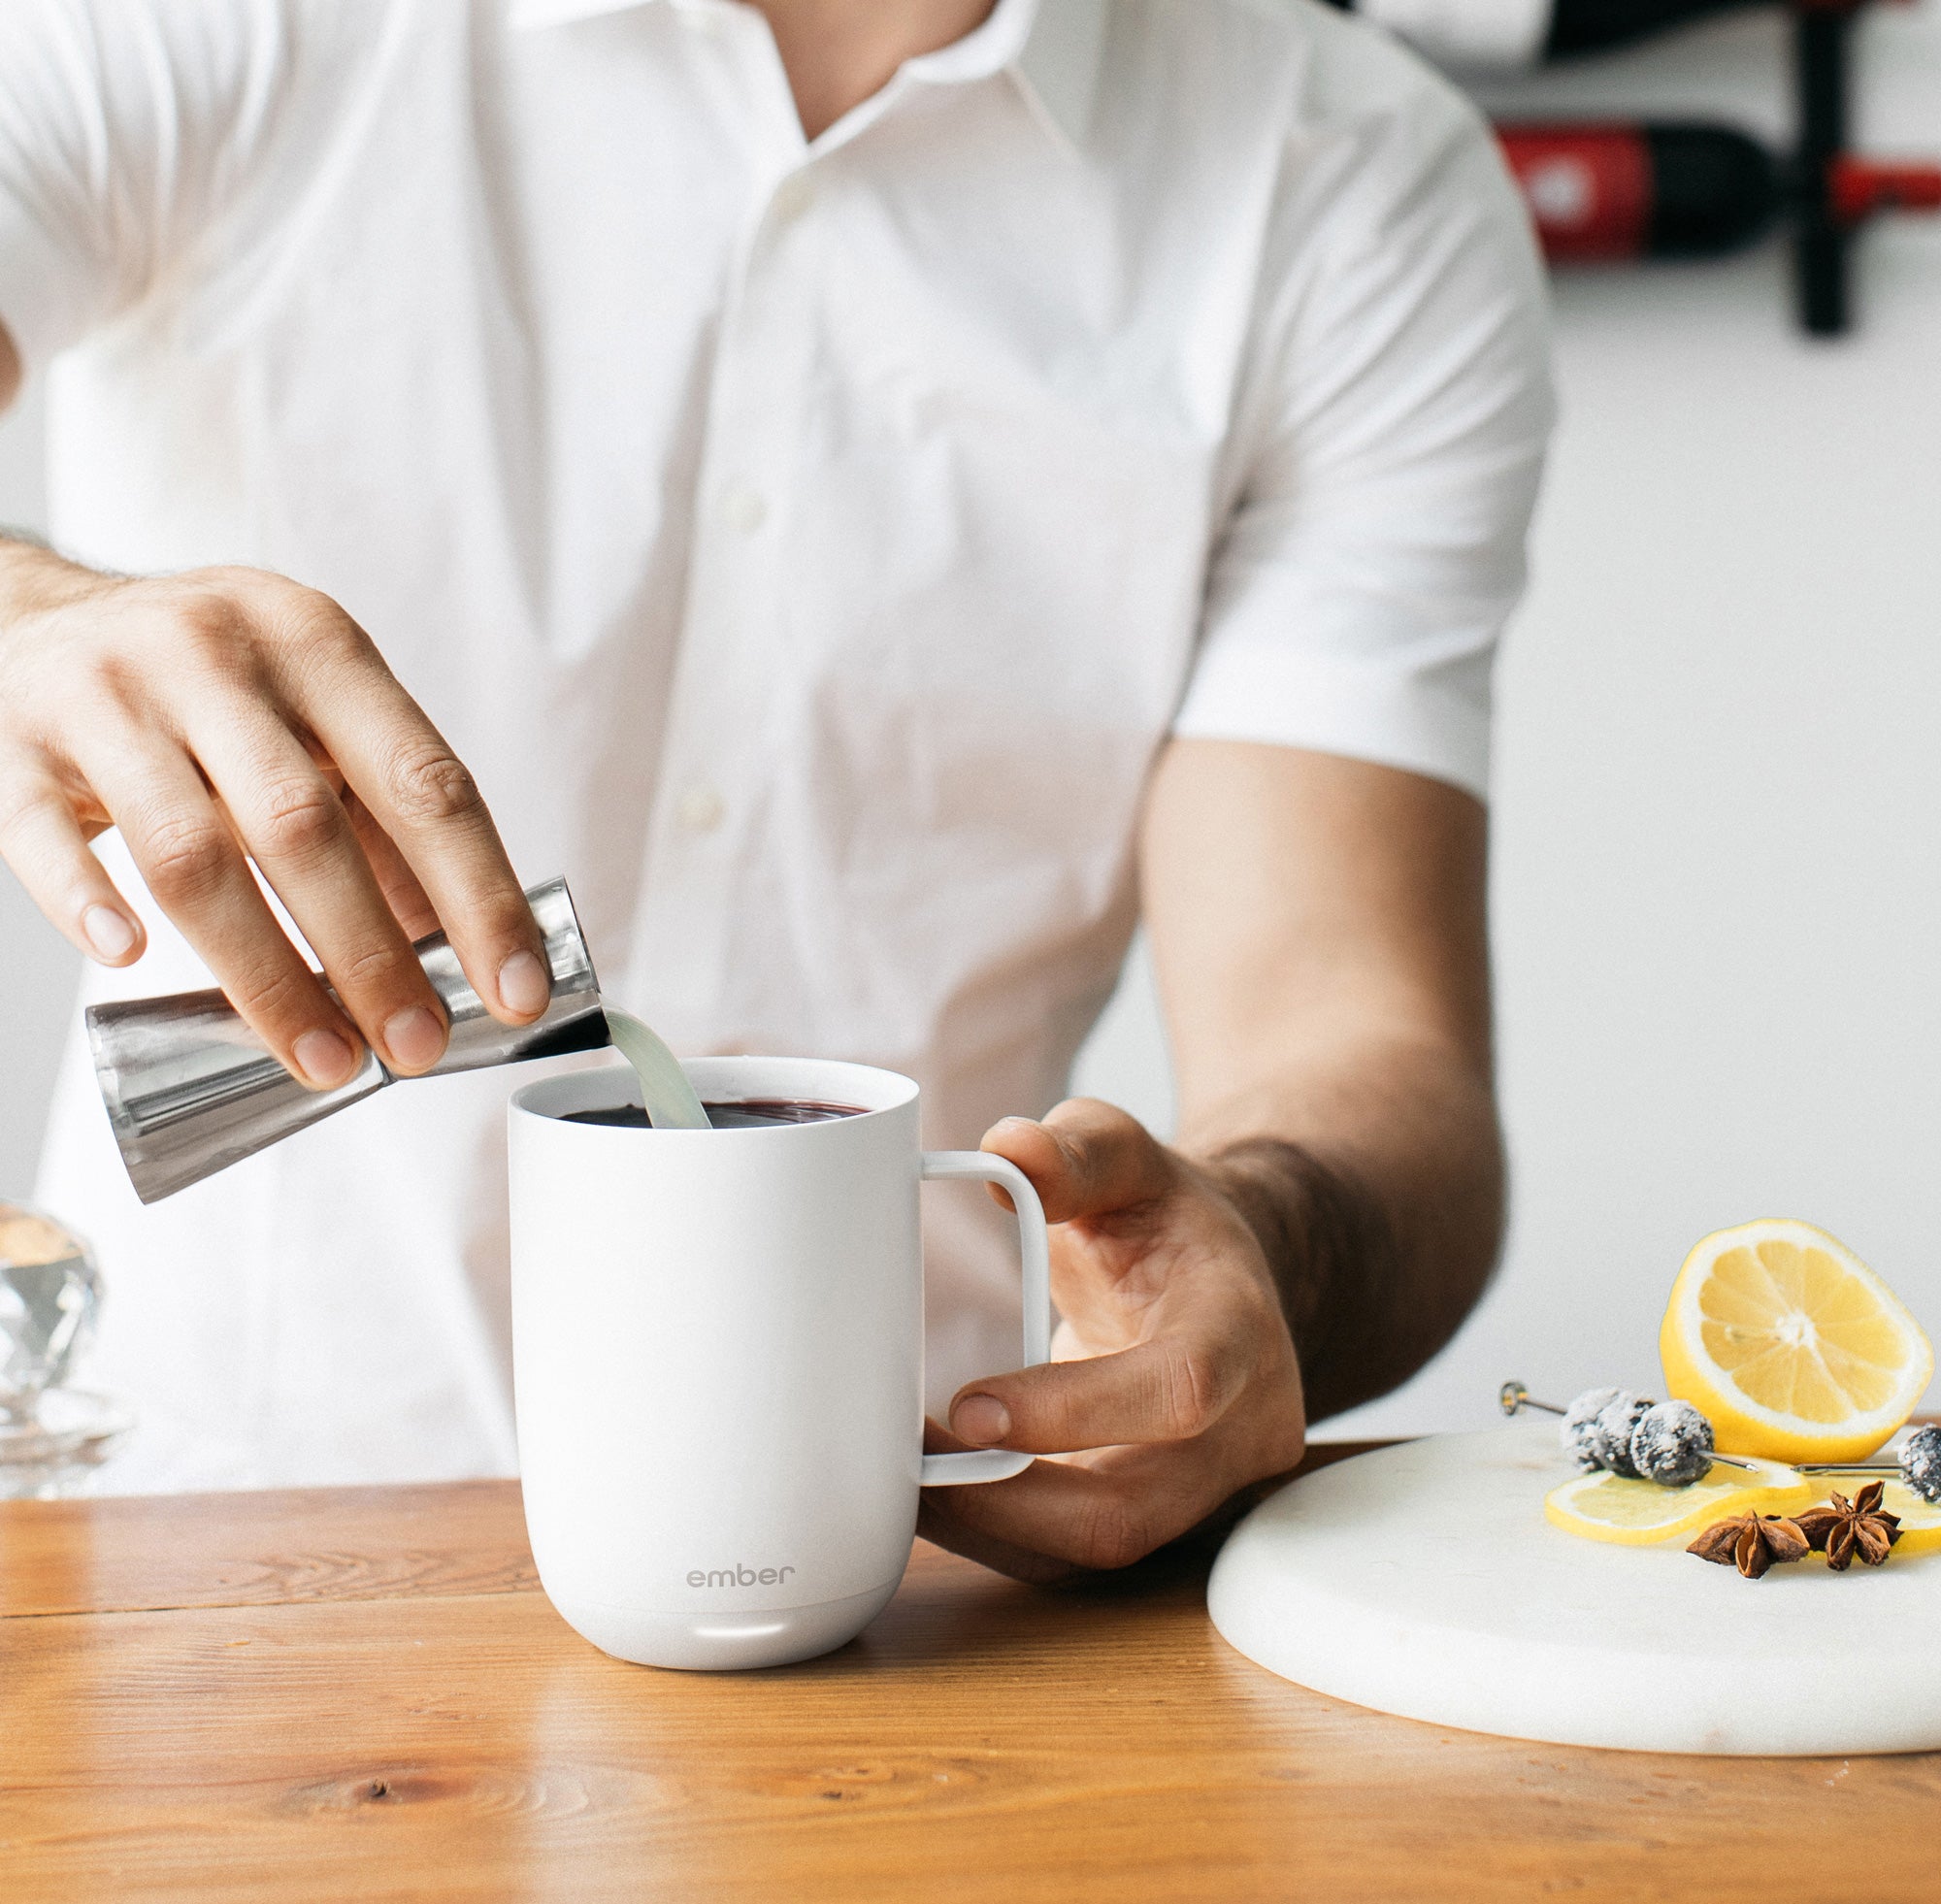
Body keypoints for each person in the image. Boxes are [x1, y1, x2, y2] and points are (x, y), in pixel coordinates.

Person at [0, 0, 1550, 1581]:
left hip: (916, 1576)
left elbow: (1357, 1039)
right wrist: (31, 616)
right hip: (205, 1543)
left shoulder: (1351, 185)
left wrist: (1261, 1246)